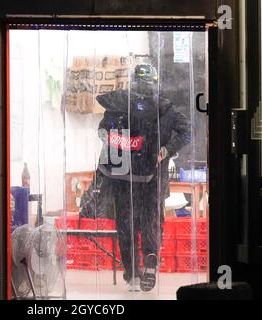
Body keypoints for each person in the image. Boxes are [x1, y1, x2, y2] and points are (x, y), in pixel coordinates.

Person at [95, 61, 190, 292]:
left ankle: (133, 275)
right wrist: (166, 150)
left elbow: (101, 132)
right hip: (152, 176)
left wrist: (123, 145)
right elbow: (186, 131)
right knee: (152, 220)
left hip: (122, 176)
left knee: (126, 225)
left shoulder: (118, 104)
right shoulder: (165, 108)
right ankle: (150, 257)